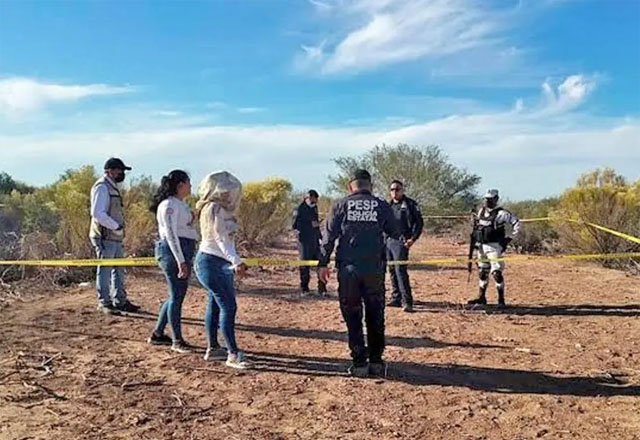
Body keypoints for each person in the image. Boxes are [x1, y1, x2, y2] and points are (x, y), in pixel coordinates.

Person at [318, 169, 401, 377]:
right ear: (370, 185)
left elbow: (328, 237)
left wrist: (322, 263)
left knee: (352, 315)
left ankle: (359, 363)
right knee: (375, 314)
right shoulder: (381, 205)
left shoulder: (340, 205)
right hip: (374, 270)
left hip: (349, 270)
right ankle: (376, 362)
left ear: (350, 186)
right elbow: (395, 232)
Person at [194, 171, 251, 369]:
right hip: (211, 262)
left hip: (218, 262)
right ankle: (233, 354)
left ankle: (213, 348)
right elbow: (220, 238)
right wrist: (236, 261)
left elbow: (226, 241)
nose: (230, 195)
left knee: (216, 304)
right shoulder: (214, 208)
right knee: (228, 306)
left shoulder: (217, 209)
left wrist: (233, 260)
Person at [147, 170, 198, 353]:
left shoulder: (180, 204)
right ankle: (177, 340)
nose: (191, 186)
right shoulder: (168, 205)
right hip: (173, 252)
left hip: (182, 251)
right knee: (177, 296)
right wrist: (180, 260)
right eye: (189, 183)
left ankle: (158, 334)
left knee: (175, 295)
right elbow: (170, 234)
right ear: (180, 185)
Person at [89, 157, 140, 315]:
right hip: (105, 236)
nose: (122, 173)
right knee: (105, 269)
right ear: (110, 171)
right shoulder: (102, 187)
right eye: (120, 170)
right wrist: (115, 226)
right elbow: (97, 213)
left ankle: (120, 300)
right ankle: (104, 302)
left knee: (118, 269)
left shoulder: (111, 187)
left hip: (114, 236)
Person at [467, 189, 521, 308]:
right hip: (481, 246)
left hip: (494, 247)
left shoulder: (502, 213)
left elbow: (516, 222)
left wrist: (510, 238)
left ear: (496, 199)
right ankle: (481, 297)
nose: (487, 201)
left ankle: (501, 301)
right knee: (482, 272)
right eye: (486, 199)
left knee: (496, 273)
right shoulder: (481, 211)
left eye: (490, 199)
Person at [386, 180, 424, 312]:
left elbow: (419, 223)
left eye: (397, 189)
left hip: (401, 242)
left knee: (400, 270)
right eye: (392, 190)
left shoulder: (410, 204)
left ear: (402, 190)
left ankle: (407, 301)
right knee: (392, 270)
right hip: (388, 241)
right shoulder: (388, 206)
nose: (394, 192)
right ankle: (396, 298)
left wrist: (412, 239)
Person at [293, 189, 327, 296]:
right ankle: (304, 289)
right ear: (309, 198)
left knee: (321, 262)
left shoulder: (314, 208)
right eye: (314, 199)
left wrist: (320, 237)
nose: (315, 201)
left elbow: (315, 223)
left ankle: (322, 289)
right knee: (305, 263)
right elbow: (295, 225)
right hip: (304, 241)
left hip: (315, 240)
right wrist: (300, 235)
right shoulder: (299, 209)